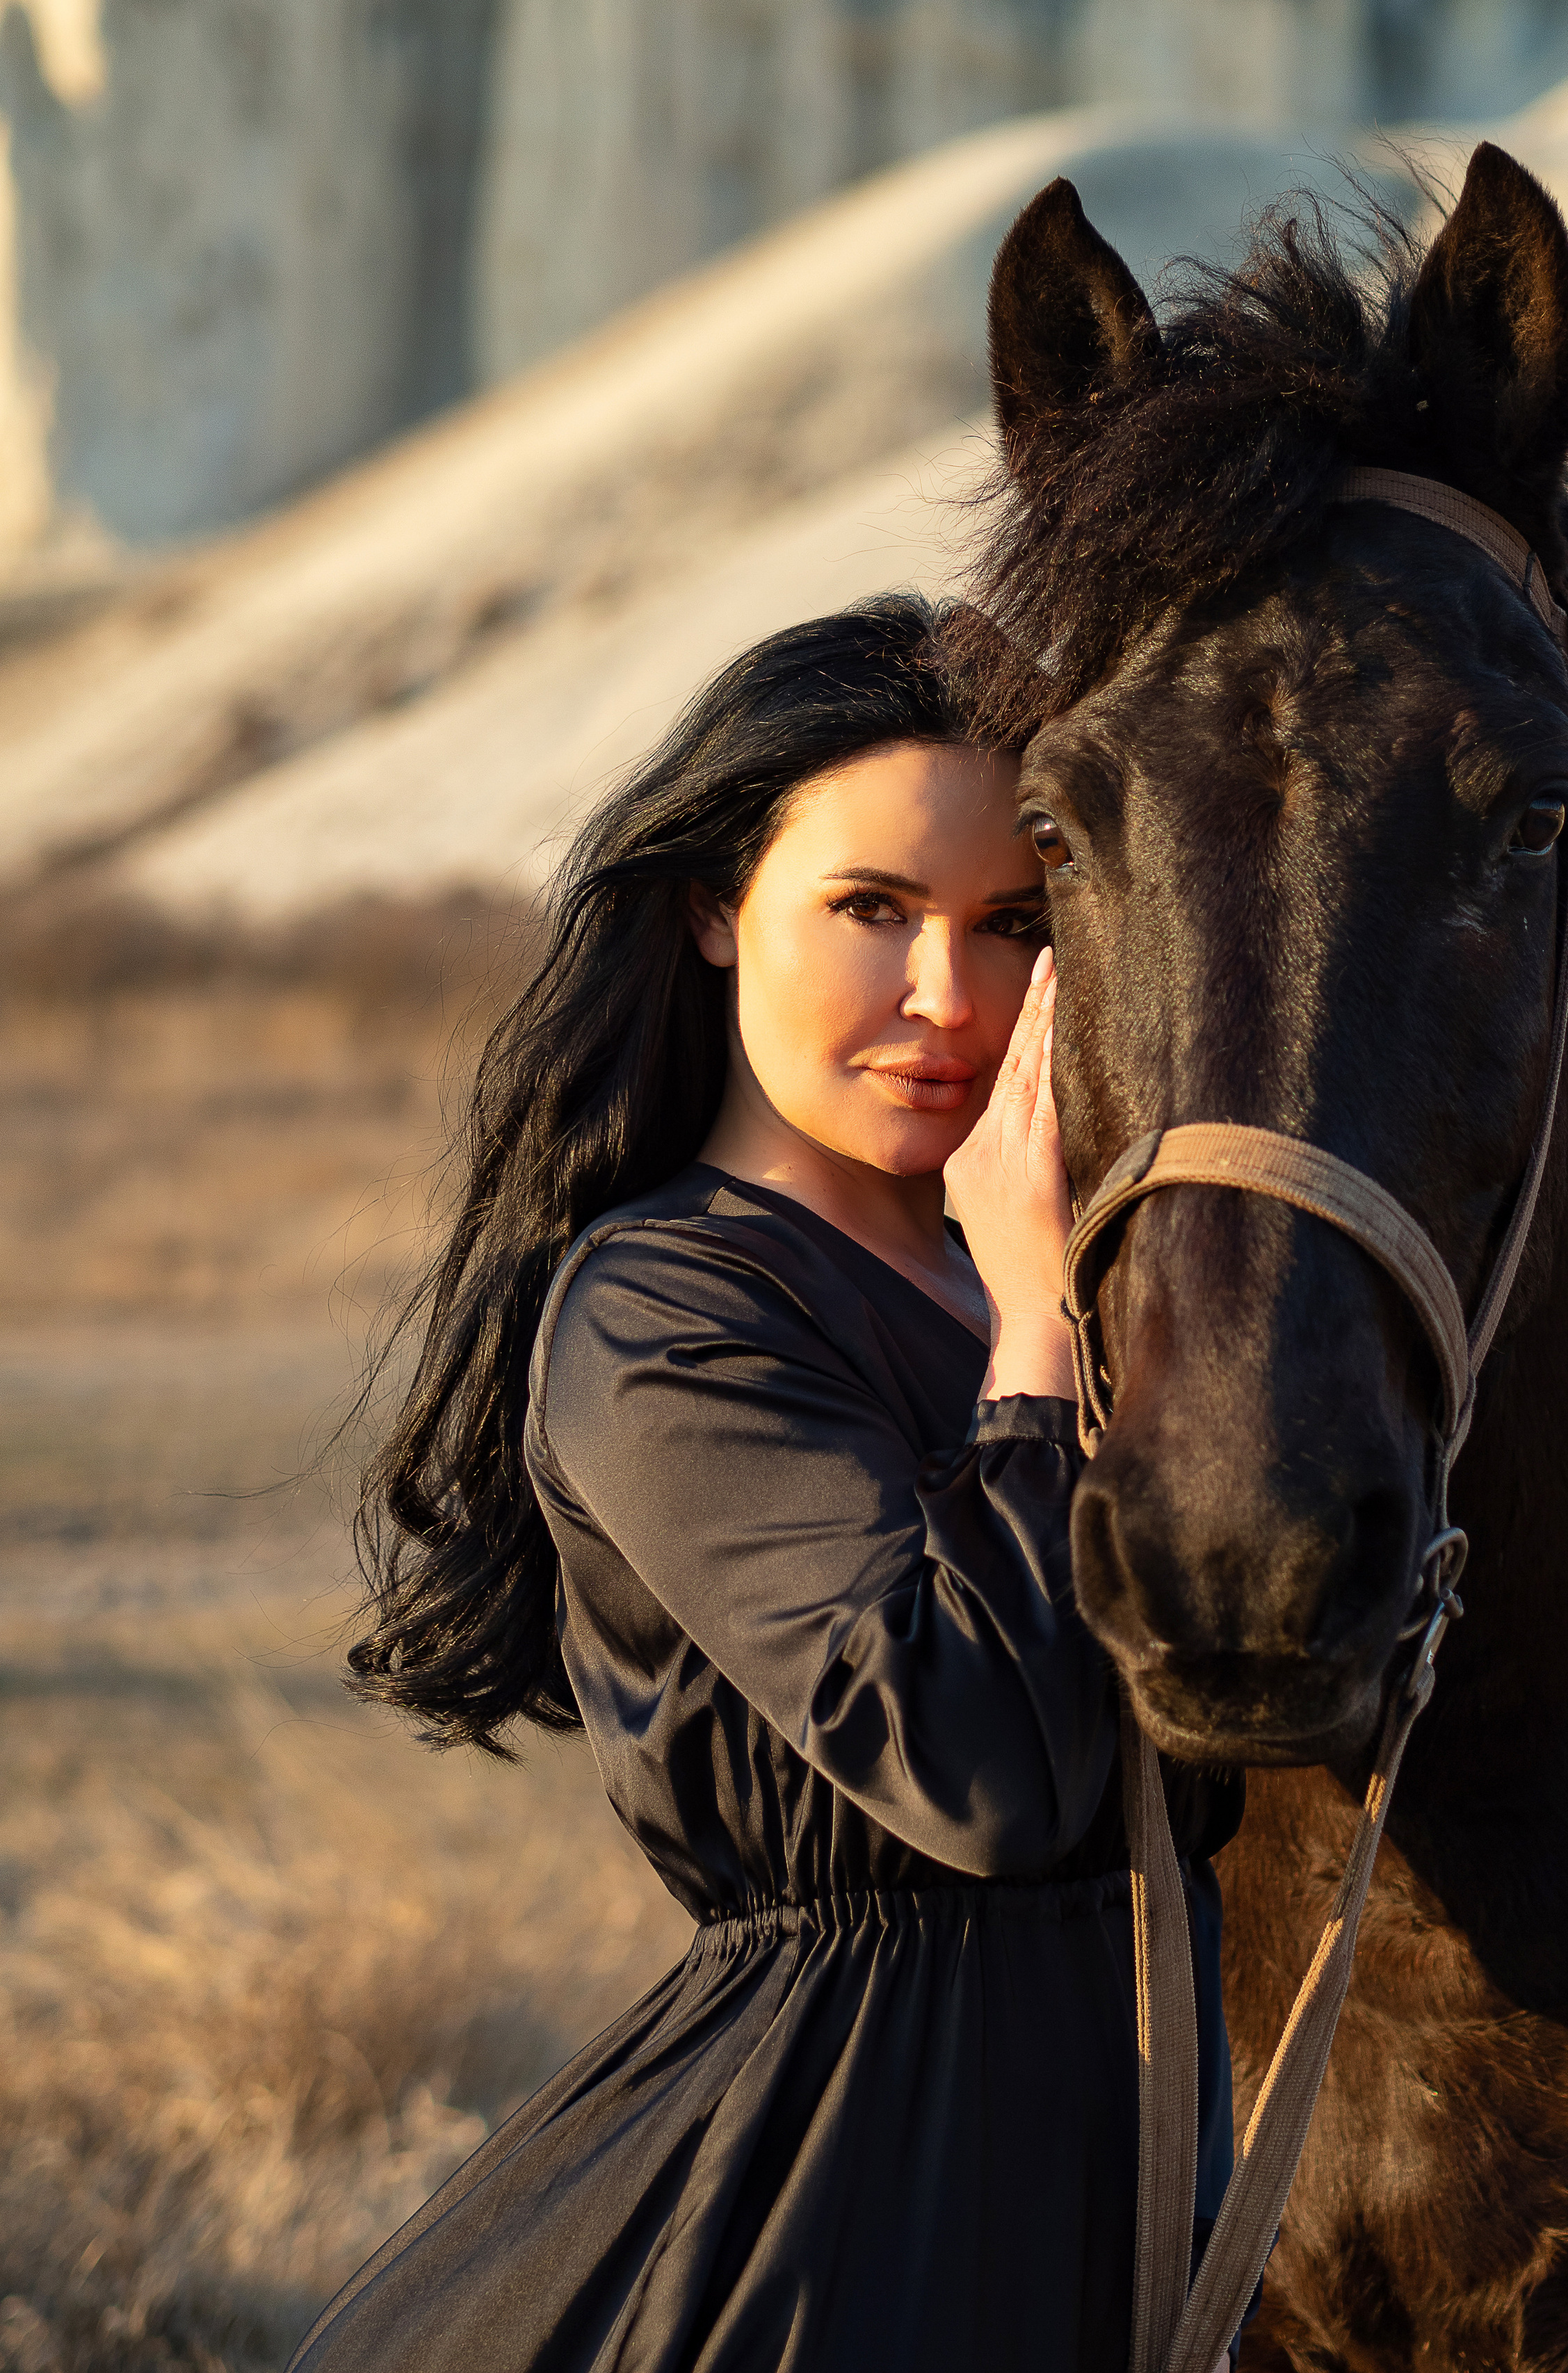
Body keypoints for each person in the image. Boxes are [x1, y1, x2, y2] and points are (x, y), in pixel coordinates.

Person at [289, 596, 1243, 2373]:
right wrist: (1035, 1334)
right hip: (857, 2206)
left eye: (1013, 925)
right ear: (717, 911)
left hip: (1155, 2176)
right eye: (871, 908)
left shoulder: (1081, 1285)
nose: (947, 998)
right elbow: (980, 1766)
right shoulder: (663, 1308)